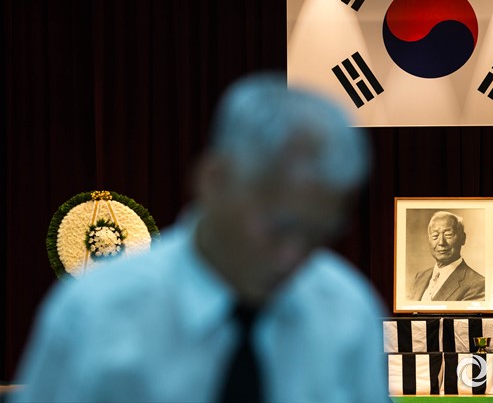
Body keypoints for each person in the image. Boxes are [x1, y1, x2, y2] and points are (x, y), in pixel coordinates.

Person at [11, 73, 389, 403]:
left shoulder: (348, 315)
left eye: (318, 237)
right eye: (279, 227)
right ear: (213, 180)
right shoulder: (98, 313)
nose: (293, 257)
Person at [408, 211, 485, 301]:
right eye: (435, 236)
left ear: (463, 238)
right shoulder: (420, 277)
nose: (441, 242)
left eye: (448, 235)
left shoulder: (478, 284)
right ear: (429, 239)